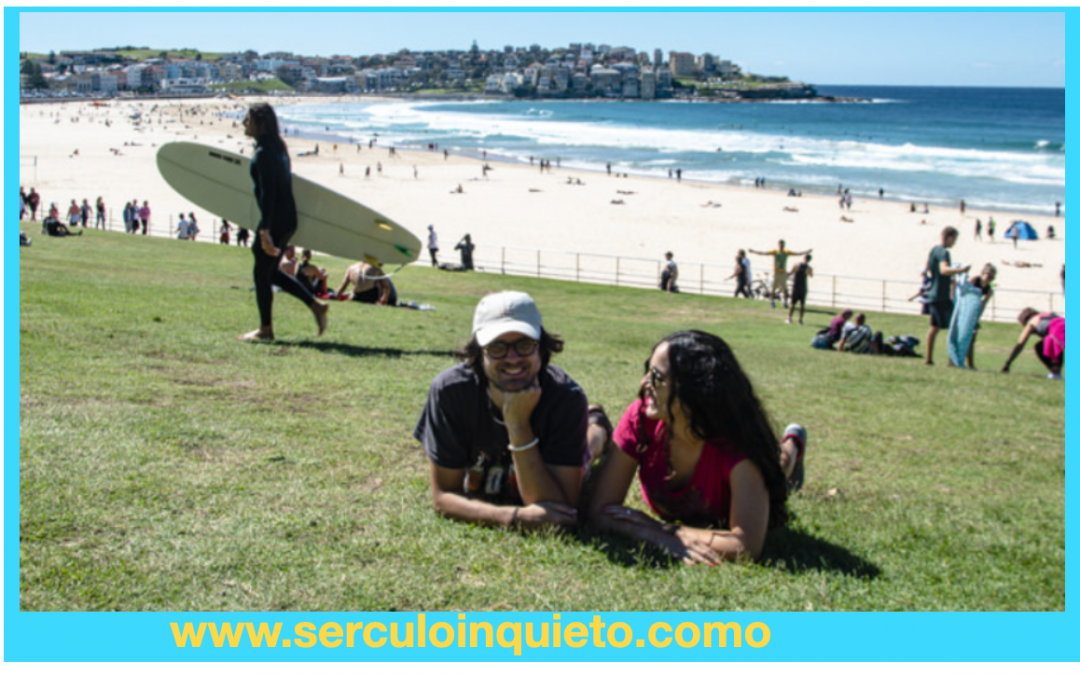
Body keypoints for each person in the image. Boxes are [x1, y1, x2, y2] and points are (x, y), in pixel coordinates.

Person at [585, 330, 805, 565]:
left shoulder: (738, 450)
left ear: (692, 391)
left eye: (657, 377)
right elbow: (600, 509)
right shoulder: (641, 419)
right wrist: (653, 536)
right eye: (647, 371)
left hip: (761, 462)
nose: (644, 384)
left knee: (778, 468)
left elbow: (745, 546)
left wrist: (665, 530)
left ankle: (793, 443)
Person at [414, 291, 588, 530]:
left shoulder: (566, 398)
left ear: (541, 348)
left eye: (525, 344)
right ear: (478, 352)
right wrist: (513, 517)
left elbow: (559, 510)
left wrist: (518, 425)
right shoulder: (450, 391)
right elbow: (443, 496)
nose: (513, 358)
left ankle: (597, 428)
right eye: (497, 347)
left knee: (592, 444)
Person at [239, 102, 328, 341]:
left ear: (261, 123)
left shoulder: (264, 153)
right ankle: (316, 306)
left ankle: (265, 330)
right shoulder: (279, 149)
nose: (244, 123)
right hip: (288, 219)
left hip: (275, 220)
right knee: (270, 273)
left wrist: (265, 230)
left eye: (248, 119)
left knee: (261, 274)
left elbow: (269, 193)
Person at [923, 226, 970, 366]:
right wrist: (960, 270)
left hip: (933, 293)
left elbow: (928, 268)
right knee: (953, 328)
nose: (954, 243)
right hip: (941, 296)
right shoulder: (944, 252)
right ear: (949, 237)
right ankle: (951, 361)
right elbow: (944, 270)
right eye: (954, 239)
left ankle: (929, 359)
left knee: (934, 328)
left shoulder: (934, 250)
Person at [949, 263, 996, 369]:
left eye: (992, 277)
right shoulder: (974, 280)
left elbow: (983, 304)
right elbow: (962, 292)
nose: (989, 279)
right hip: (964, 309)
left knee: (971, 338)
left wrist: (976, 318)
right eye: (988, 276)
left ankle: (970, 363)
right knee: (958, 336)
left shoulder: (989, 289)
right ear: (983, 273)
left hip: (973, 312)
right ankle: (952, 361)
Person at [1001, 308, 1065, 379]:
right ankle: (1056, 371)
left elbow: (1020, 344)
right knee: (1048, 344)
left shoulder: (1031, 322)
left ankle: (1055, 373)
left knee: (1040, 347)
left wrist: (1008, 363)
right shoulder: (1049, 314)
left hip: (1057, 331)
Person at [749, 240, 812, 309]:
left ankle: (785, 302)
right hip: (776, 273)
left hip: (783, 273)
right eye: (780, 245)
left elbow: (797, 253)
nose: (781, 246)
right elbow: (764, 253)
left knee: (785, 289)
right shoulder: (775, 252)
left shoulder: (786, 252)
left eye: (782, 245)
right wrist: (754, 251)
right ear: (778, 245)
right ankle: (772, 302)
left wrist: (806, 252)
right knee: (773, 289)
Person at [787, 254, 813, 325]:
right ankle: (800, 320)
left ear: (804, 258)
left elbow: (791, 272)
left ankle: (789, 318)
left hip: (796, 286)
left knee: (792, 304)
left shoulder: (797, 264)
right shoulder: (808, 267)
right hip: (803, 287)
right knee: (802, 305)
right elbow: (811, 275)